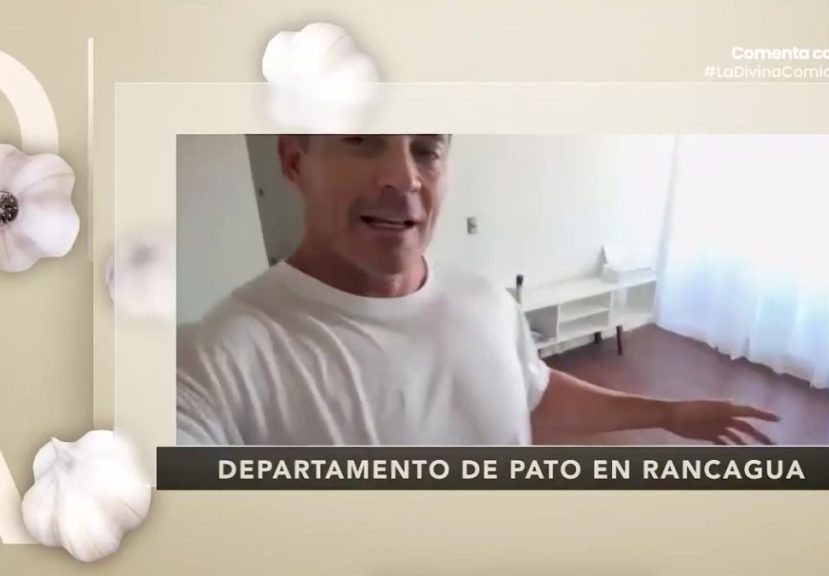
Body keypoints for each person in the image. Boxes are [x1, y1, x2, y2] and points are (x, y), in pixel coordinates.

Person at [176, 134, 779, 446]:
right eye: (363, 140)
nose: (404, 177)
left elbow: (533, 393)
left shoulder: (486, 302)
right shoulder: (216, 362)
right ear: (293, 161)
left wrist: (670, 414)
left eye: (426, 151)